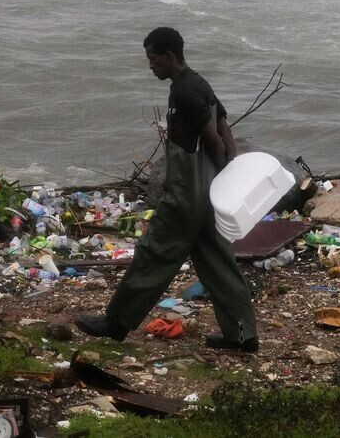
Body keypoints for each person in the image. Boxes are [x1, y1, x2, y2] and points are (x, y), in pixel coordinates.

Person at [76, 27, 259, 352]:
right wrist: (226, 176)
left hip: (186, 195)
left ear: (169, 56)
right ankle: (243, 337)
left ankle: (116, 323)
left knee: (153, 255)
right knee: (218, 265)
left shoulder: (183, 90)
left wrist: (217, 172)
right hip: (207, 194)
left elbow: (214, 138)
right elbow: (225, 128)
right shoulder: (200, 83)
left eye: (152, 59)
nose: (150, 66)